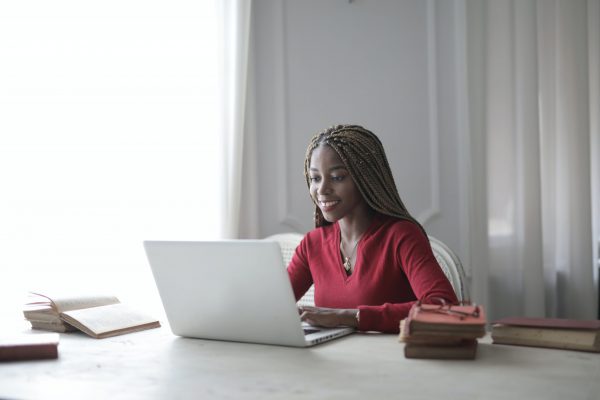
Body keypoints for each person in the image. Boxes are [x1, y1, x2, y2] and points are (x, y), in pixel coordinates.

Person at [287, 124, 458, 333]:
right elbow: (272, 306)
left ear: (365, 177)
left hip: (391, 362)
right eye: (315, 178)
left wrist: (349, 317)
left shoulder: (401, 236)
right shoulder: (312, 244)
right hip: (331, 361)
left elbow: (445, 308)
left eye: (337, 177)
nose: (322, 189)